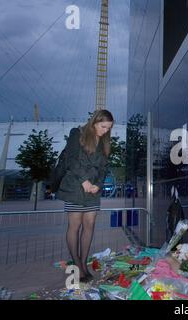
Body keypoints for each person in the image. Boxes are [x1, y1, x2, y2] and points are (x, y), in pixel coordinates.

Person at [57, 109, 114, 282]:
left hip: (92, 192)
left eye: (109, 128)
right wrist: (84, 181)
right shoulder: (78, 133)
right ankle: (77, 265)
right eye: (103, 126)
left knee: (89, 225)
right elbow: (71, 159)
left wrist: (98, 184)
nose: (106, 131)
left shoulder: (104, 142)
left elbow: (103, 168)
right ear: (95, 122)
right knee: (74, 226)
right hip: (75, 187)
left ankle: (83, 263)